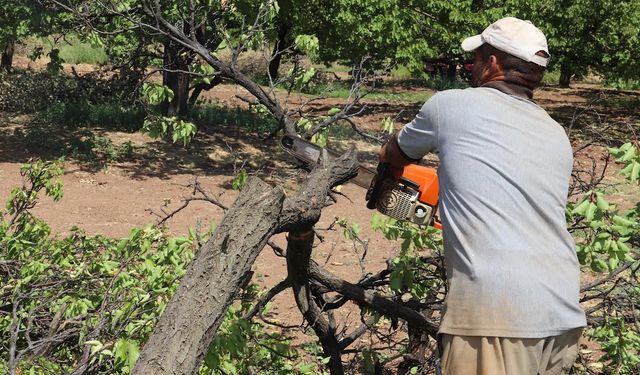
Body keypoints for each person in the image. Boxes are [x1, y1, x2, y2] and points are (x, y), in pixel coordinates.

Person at [379, 17, 587, 375]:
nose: (471, 66)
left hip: (497, 311)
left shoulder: (449, 106)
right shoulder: (555, 133)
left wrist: (387, 172)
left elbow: (395, 154)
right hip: (562, 308)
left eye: (477, 58)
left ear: (491, 63)